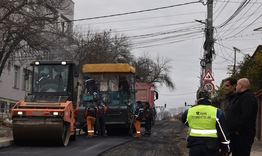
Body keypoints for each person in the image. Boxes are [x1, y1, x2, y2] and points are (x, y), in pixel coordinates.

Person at [181, 90, 230, 156]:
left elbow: (185, 121)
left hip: (194, 146)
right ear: (209, 98)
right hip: (211, 147)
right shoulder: (217, 112)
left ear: (197, 98)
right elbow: (222, 132)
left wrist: (197, 122)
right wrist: (226, 148)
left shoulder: (189, 111)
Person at [226, 78, 258, 156]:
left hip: (242, 136)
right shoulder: (239, 97)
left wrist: (236, 129)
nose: (236, 87)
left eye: (237, 85)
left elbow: (246, 116)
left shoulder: (248, 97)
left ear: (241, 86)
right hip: (235, 135)